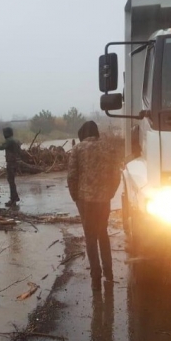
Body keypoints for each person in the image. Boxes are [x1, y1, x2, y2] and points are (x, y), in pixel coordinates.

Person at [67, 121, 120, 290]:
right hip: (104, 199)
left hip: (85, 200)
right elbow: (116, 174)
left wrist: (75, 197)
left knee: (90, 237)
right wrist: (110, 192)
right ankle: (109, 273)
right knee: (103, 233)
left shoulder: (77, 149)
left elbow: (72, 176)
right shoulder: (108, 147)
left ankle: (95, 276)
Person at [0, 127, 21, 206]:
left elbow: (2, 147)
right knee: (12, 181)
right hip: (16, 162)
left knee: (11, 181)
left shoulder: (9, 141)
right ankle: (15, 197)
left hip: (11, 163)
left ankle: (13, 199)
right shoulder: (16, 140)